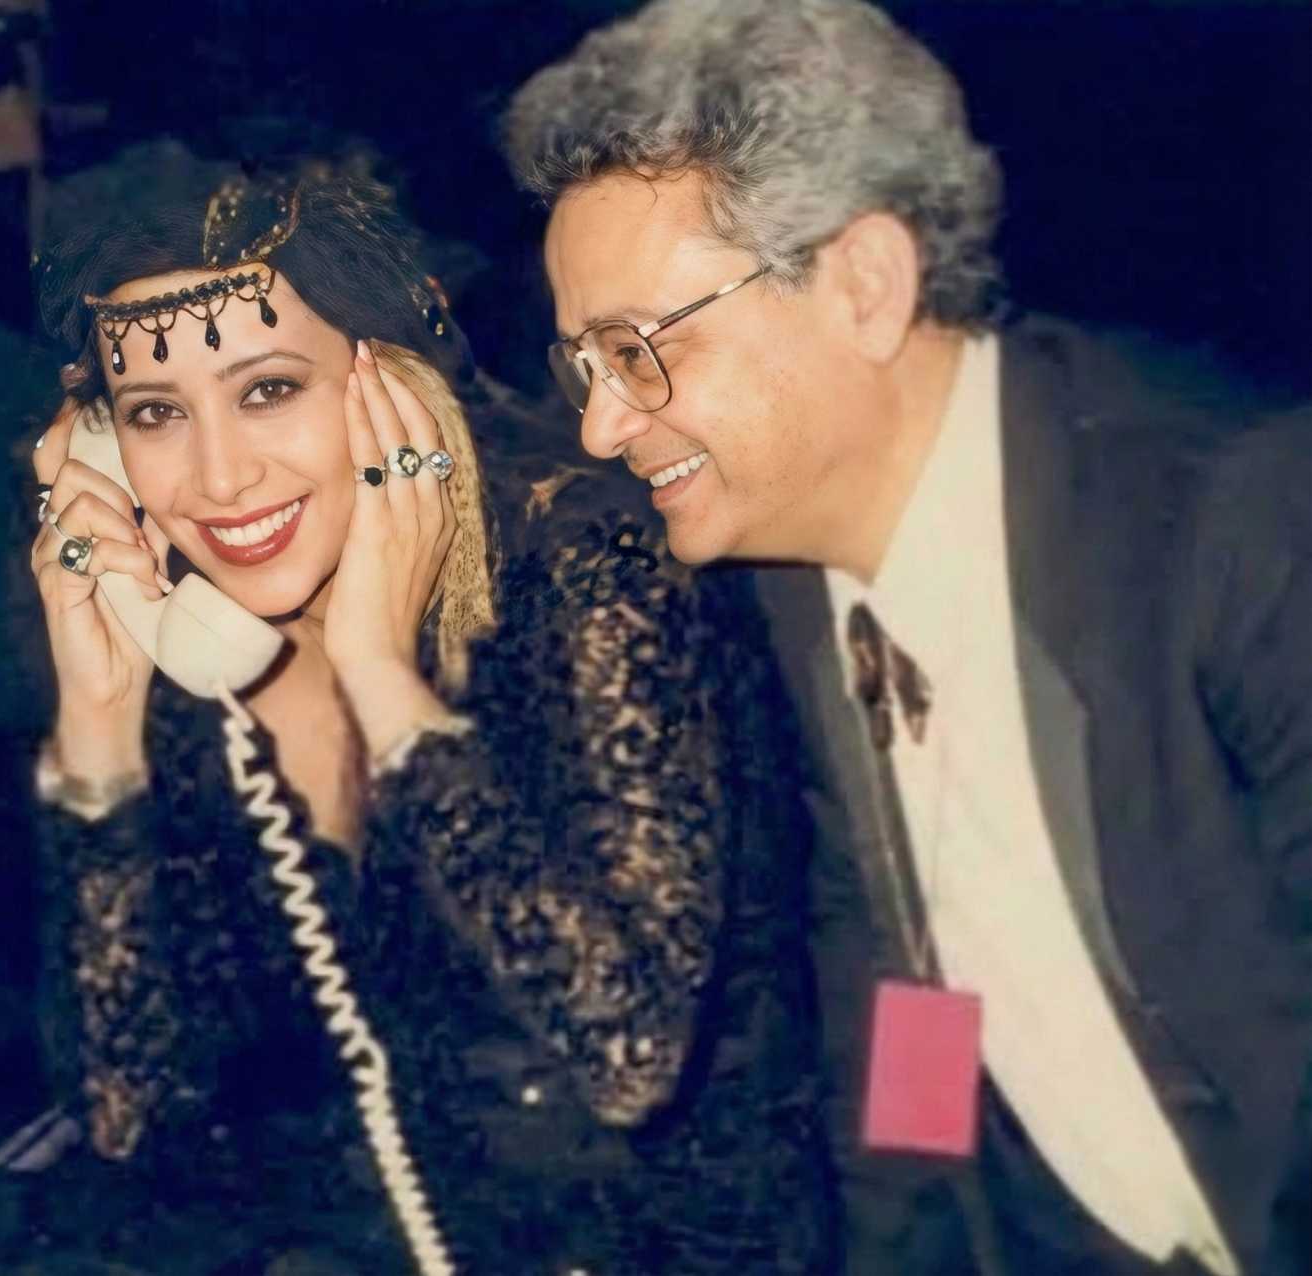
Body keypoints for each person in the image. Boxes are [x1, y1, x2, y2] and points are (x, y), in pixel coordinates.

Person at [503, 3, 1312, 1274]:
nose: (601, 428)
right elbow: (911, 1025)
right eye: (581, 366)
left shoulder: (1236, 523)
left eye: (639, 350)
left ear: (864, 286)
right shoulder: (800, 594)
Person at [3, 144, 833, 1275]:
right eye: (154, 413)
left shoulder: (586, 570)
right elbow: (125, 1113)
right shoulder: (194, 661)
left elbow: (626, 1054)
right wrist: (100, 733)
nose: (218, 477)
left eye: (267, 391)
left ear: (393, 379)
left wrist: (386, 689)